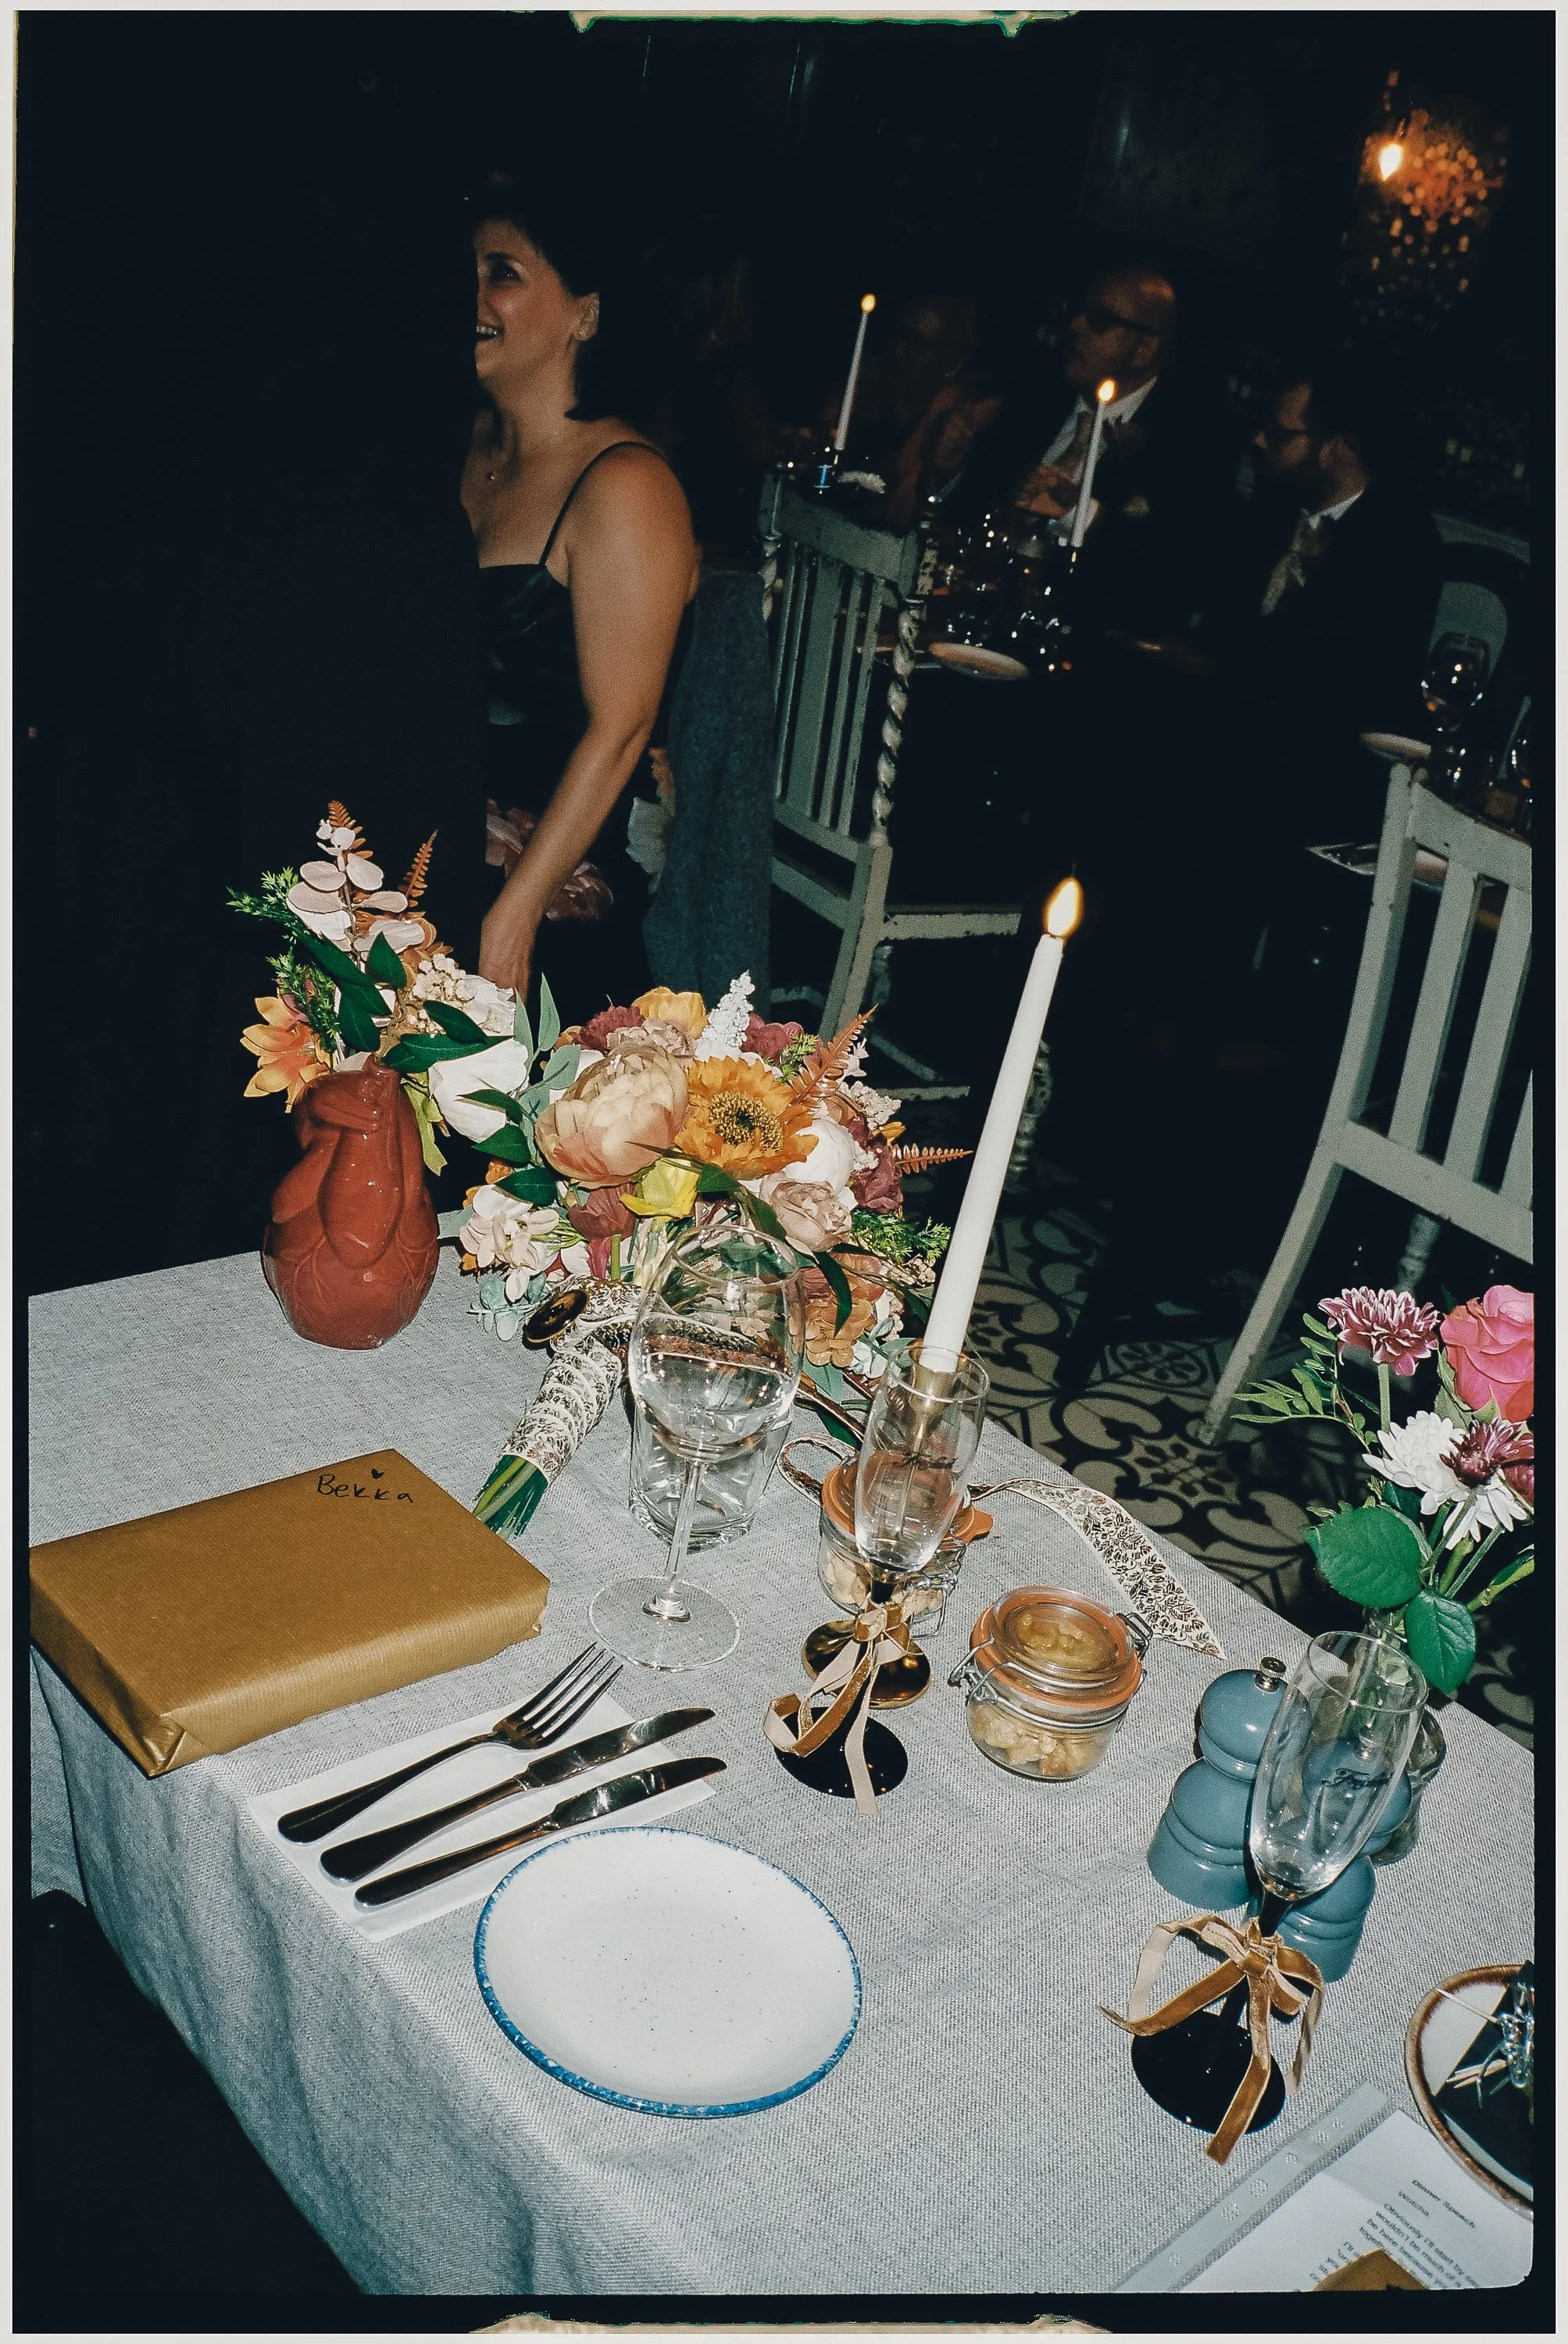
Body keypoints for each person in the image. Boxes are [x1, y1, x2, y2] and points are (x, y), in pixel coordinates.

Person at [463, 183, 699, 1013]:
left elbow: (623, 727)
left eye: (503, 273)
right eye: (465, 270)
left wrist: (516, 914)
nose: (472, 296)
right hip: (447, 822)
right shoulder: (466, 452)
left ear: (586, 315)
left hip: (559, 868)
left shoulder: (627, 485)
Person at [1223, 355, 1444, 834]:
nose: (1259, 441)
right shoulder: (1279, 505)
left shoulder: (1398, 537)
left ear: (1338, 446)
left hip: (1323, 765)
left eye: (1281, 434)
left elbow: (1334, 677)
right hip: (1251, 730)